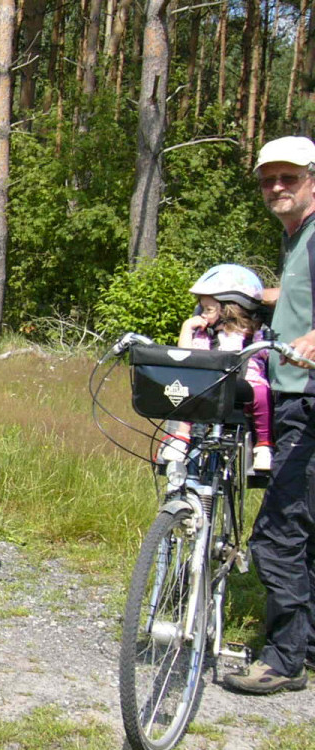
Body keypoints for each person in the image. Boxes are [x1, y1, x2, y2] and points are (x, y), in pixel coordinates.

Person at [224, 136, 315, 695]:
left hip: (307, 399)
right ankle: (306, 642)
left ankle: (284, 660)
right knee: (305, 526)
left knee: (278, 534)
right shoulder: (296, 236)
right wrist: (243, 296)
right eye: (267, 179)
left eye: (288, 177)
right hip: (290, 394)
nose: (276, 187)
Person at [157, 265, 272, 472]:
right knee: (185, 390)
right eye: (202, 309)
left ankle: (263, 445)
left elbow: (266, 354)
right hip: (209, 386)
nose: (203, 315)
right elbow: (186, 356)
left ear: (229, 309)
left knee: (262, 393)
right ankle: (180, 437)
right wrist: (187, 327)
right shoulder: (206, 335)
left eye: (208, 309)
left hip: (245, 385)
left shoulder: (252, 334)